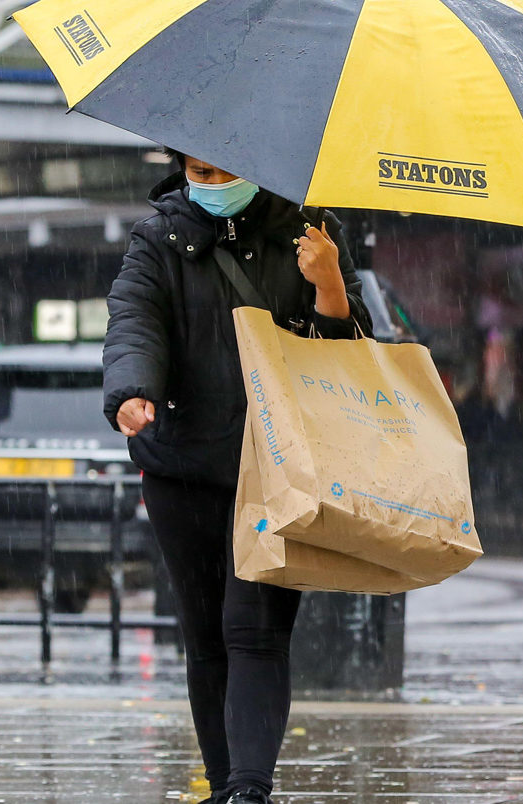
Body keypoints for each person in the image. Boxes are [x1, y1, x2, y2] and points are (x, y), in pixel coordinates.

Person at [102, 150, 372, 804]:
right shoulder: (156, 238)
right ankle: (227, 786)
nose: (210, 186)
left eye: (223, 173)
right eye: (198, 173)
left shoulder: (311, 233)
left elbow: (352, 361)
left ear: (255, 165)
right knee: (205, 635)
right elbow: (135, 320)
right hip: (182, 467)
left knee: (254, 629)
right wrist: (131, 390)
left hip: (277, 469)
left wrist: (330, 285)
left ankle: (248, 789)